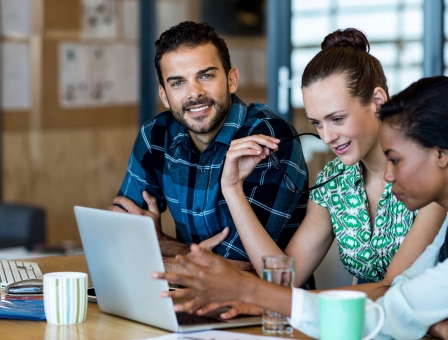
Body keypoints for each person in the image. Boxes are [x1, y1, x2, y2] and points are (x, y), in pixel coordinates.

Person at [154, 76, 448, 340]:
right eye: (317, 123)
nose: (389, 175)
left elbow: (394, 308)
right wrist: (440, 324)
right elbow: (397, 301)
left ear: (442, 153)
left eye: (397, 159)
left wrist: (249, 291)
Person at [187, 28, 446, 318]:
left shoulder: (428, 173)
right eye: (317, 123)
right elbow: (284, 277)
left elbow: (392, 289)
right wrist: (232, 188)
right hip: (365, 329)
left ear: (378, 101)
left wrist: (268, 299)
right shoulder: (335, 182)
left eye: (336, 119)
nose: (327, 137)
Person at [111, 21, 309, 274]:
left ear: (232, 79)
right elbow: (121, 236)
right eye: (178, 83)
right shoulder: (156, 136)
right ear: (164, 95)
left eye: (206, 76)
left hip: (265, 309)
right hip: (183, 298)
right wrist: (177, 255)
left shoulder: (268, 138)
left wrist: (160, 246)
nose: (194, 93)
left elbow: (244, 267)